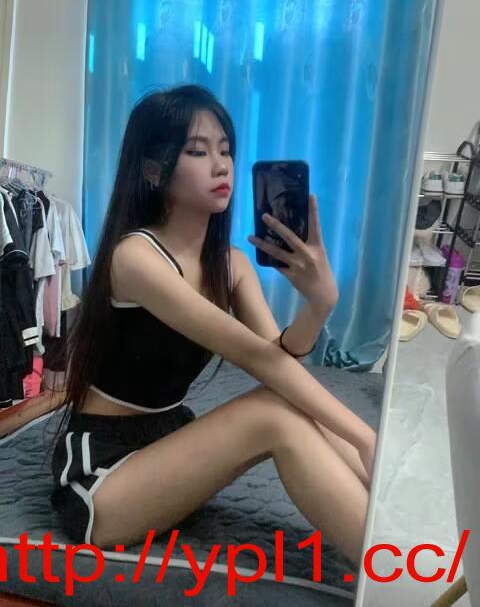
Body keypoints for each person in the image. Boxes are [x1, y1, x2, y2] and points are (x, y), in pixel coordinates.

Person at [49, 84, 376, 567]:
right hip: (103, 476)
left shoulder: (231, 264)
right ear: (153, 169)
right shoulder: (136, 257)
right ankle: (398, 576)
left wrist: (320, 303)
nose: (221, 166)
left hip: (167, 446)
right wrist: (365, 437)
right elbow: (259, 360)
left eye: (225, 150)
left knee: (288, 400)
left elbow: (280, 358)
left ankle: (393, 522)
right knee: (274, 414)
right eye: (198, 151)